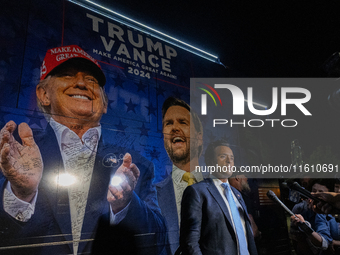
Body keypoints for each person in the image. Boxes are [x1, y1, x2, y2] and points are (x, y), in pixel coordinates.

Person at [0, 45, 166, 255]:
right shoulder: (13, 153)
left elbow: (159, 242)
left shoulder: (136, 164)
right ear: (43, 94)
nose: (81, 83)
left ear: (104, 104)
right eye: (67, 75)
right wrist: (20, 194)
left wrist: (125, 204)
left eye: (91, 80)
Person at [179, 140, 258, 255]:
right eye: (223, 156)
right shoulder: (197, 192)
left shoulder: (238, 195)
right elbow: (190, 242)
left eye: (232, 158)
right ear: (210, 162)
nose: (229, 161)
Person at [155, 97, 203, 254]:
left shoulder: (220, 188)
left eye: (183, 122)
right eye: (168, 123)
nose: (174, 128)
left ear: (199, 137)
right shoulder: (152, 195)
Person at [291, 179, 338, 255]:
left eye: (321, 192)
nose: (316, 195)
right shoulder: (301, 208)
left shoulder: (330, 211)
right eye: (314, 191)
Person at [229, 174, 261, 239]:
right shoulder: (243, 198)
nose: (247, 179)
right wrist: (258, 233)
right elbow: (253, 232)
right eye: (245, 176)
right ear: (237, 177)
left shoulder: (227, 196)